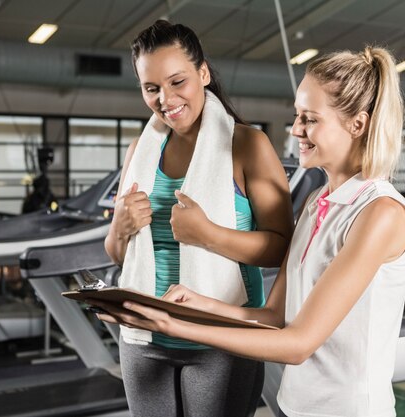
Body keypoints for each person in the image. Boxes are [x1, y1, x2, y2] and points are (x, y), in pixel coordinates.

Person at [97, 46, 405, 417]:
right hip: (294, 407)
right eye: (297, 116)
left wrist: (173, 325)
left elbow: (298, 344)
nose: (296, 129)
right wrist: (200, 305)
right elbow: (274, 316)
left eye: (310, 119)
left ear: (357, 125)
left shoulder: (381, 213)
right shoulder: (317, 202)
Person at [103, 20, 293, 417]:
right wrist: (119, 227)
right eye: (151, 88)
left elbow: (282, 248)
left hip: (219, 339)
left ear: (203, 73)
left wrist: (209, 235)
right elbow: (117, 253)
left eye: (177, 82)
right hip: (144, 336)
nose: (165, 99)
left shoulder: (247, 145)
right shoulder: (141, 150)